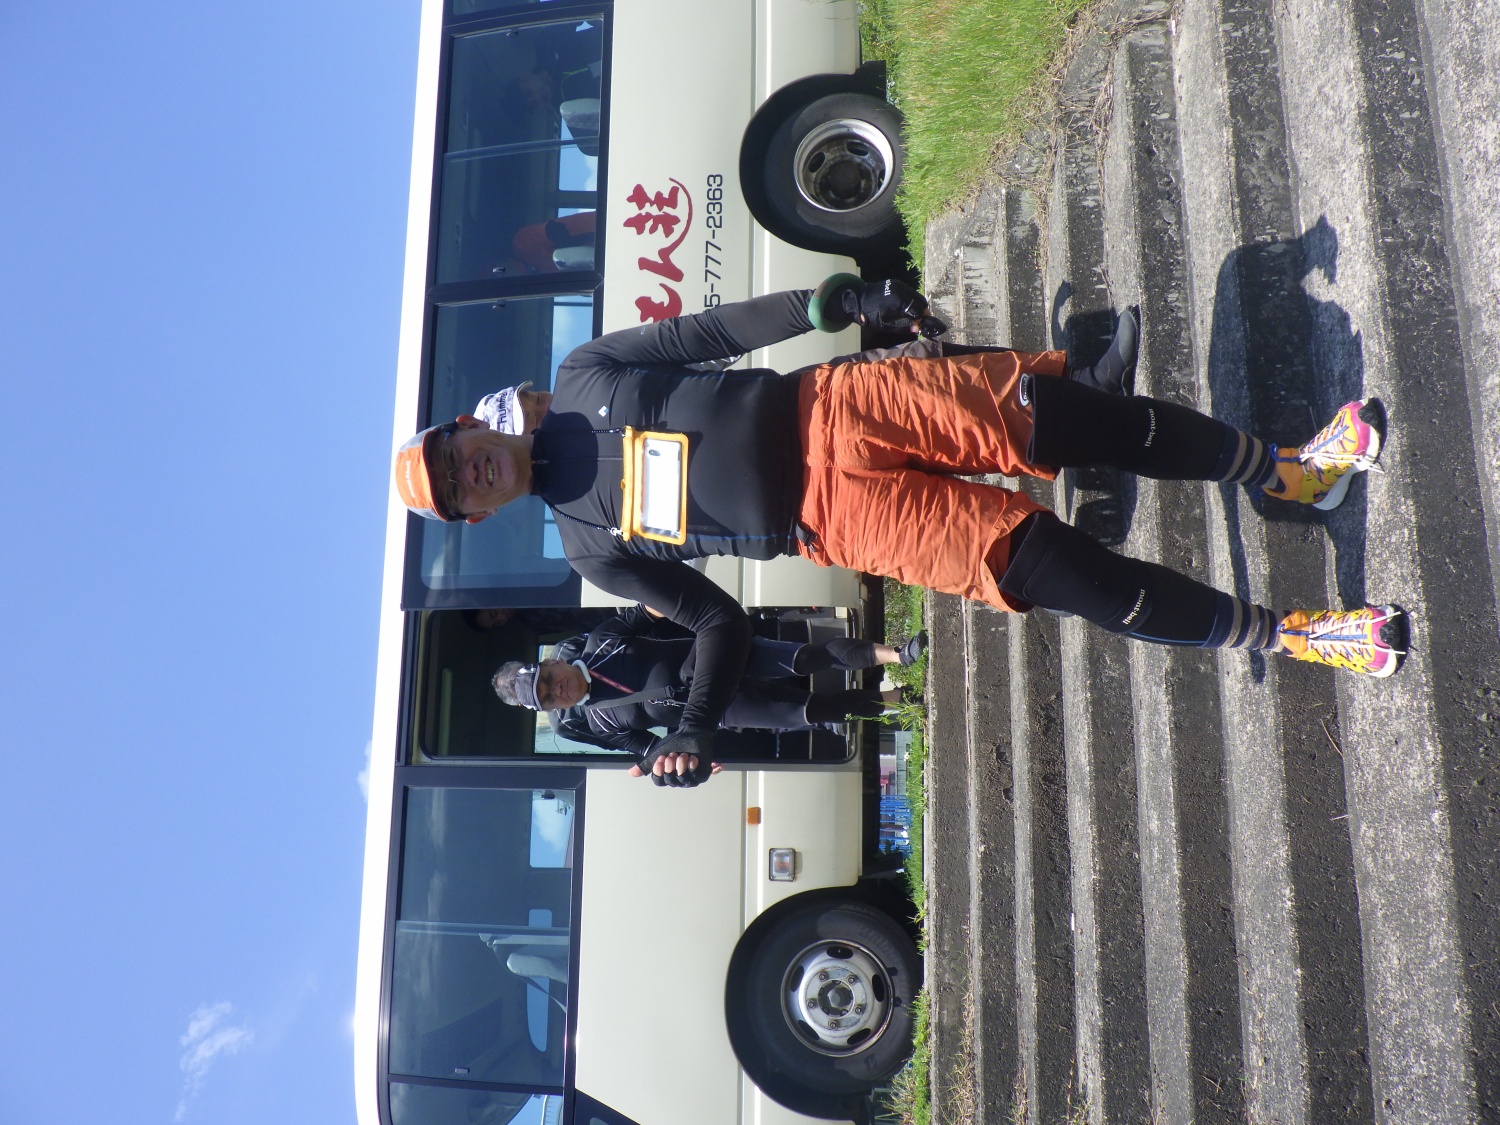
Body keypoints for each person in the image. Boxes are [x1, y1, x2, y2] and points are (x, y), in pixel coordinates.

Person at [394, 278, 1405, 787]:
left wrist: (830, 303)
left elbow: (707, 335)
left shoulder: (581, 376)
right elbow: (713, 623)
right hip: (839, 519)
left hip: (840, 405)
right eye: (455, 493)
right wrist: (695, 724)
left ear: (469, 429)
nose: (468, 472)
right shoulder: (588, 548)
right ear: (477, 515)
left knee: (1083, 423)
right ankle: (1295, 634)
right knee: (1072, 576)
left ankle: (1292, 470)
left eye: (455, 454)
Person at [491, 604, 927, 774]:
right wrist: (681, 762)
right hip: (719, 710)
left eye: (547, 679)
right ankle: (898, 701)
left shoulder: (602, 640)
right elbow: (650, 749)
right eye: (548, 698)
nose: (557, 689)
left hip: (720, 655)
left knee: (809, 658)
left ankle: (898, 655)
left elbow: (650, 609)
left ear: (553, 661)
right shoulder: (600, 722)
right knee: (816, 712)